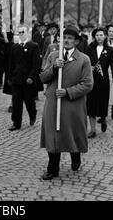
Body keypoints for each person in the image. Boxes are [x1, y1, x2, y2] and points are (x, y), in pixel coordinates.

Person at [40, 25, 93, 180]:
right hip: (53, 103)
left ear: (76, 41)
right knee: (53, 135)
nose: (67, 41)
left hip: (73, 105)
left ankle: (75, 154)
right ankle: (52, 168)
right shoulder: (53, 56)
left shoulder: (84, 59)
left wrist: (68, 92)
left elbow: (88, 84)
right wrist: (54, 67)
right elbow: (43, 77)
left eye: (71, 38)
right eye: (65, 37)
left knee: (72, 134)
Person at [8, 25, 41, 131]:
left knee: (28, 100)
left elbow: (36, 64)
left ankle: (32, 114)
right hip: (17, 78)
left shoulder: (34, 46)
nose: (20, 35)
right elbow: (11, 63)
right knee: (16, 101)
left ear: (26, 33)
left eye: (22, 32)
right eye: (19, 33)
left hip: (28, 79)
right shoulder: (15, 47)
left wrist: (31, 76)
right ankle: (16, 123)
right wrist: (9, 77)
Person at [86, 27, 113, 138]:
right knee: (91, 104)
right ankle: (93, 130)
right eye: (97, 35)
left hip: (103, 81)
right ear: (94, 37)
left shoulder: (110, 50)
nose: (99, 37)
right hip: (91, 80)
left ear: (105, 36)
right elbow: (85, 62)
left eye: (101, 35)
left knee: (103, 102)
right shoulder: (89, 48)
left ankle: (103, 118)